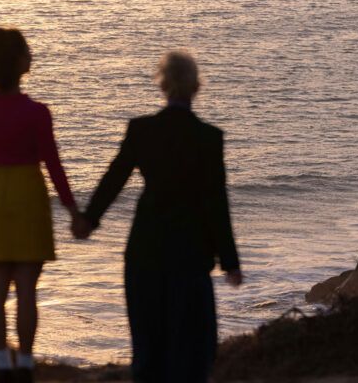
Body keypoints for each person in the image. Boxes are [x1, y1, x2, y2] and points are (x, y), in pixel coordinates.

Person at [72, 50, 242, 383]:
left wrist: (88, 220)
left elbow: (114, 178)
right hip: (190, 254)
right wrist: (230, 262)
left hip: (145, 248)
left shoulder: (142, 130)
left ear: (162, 86)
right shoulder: (208, 138)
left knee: (148, 349)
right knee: (193, 348)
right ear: (196, 87)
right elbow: (215, 204)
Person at [0, 27, 82, 383]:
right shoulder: (37, 112)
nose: (32, 55)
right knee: (27, 288)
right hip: (28, 190)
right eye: (27, 50)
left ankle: (1, 363)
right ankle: (27, 364)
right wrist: (74, 211)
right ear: (18, 61)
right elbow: (54, 164)